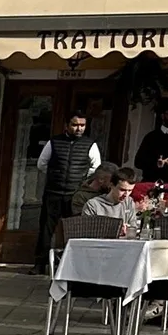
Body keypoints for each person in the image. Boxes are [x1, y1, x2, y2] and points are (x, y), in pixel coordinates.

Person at [34, 114, 102, 270]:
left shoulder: (90, 144)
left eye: (82, 125)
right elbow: (42, 164)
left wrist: (81, 180)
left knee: (73, 229)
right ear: (66, 125)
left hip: (75, 194)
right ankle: (40, 263)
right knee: (46, 229)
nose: (79, 128)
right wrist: (55, 176)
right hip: (53, 192)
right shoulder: (54, 142)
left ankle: (70, 266)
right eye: (75, 124)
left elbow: (95, 168)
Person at [135, 107, 168, 187]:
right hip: (150, 183)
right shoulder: (151, 137)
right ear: (162, 116)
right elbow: (138, 162)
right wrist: (155, 163)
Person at [83, 167, 140, 236]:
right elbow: (86, 232)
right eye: (122, 190)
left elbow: (133, 228)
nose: (126, 194)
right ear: (111, 185)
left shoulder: (129, 202)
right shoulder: (93, 205)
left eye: (130, 190)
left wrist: (128, 229)